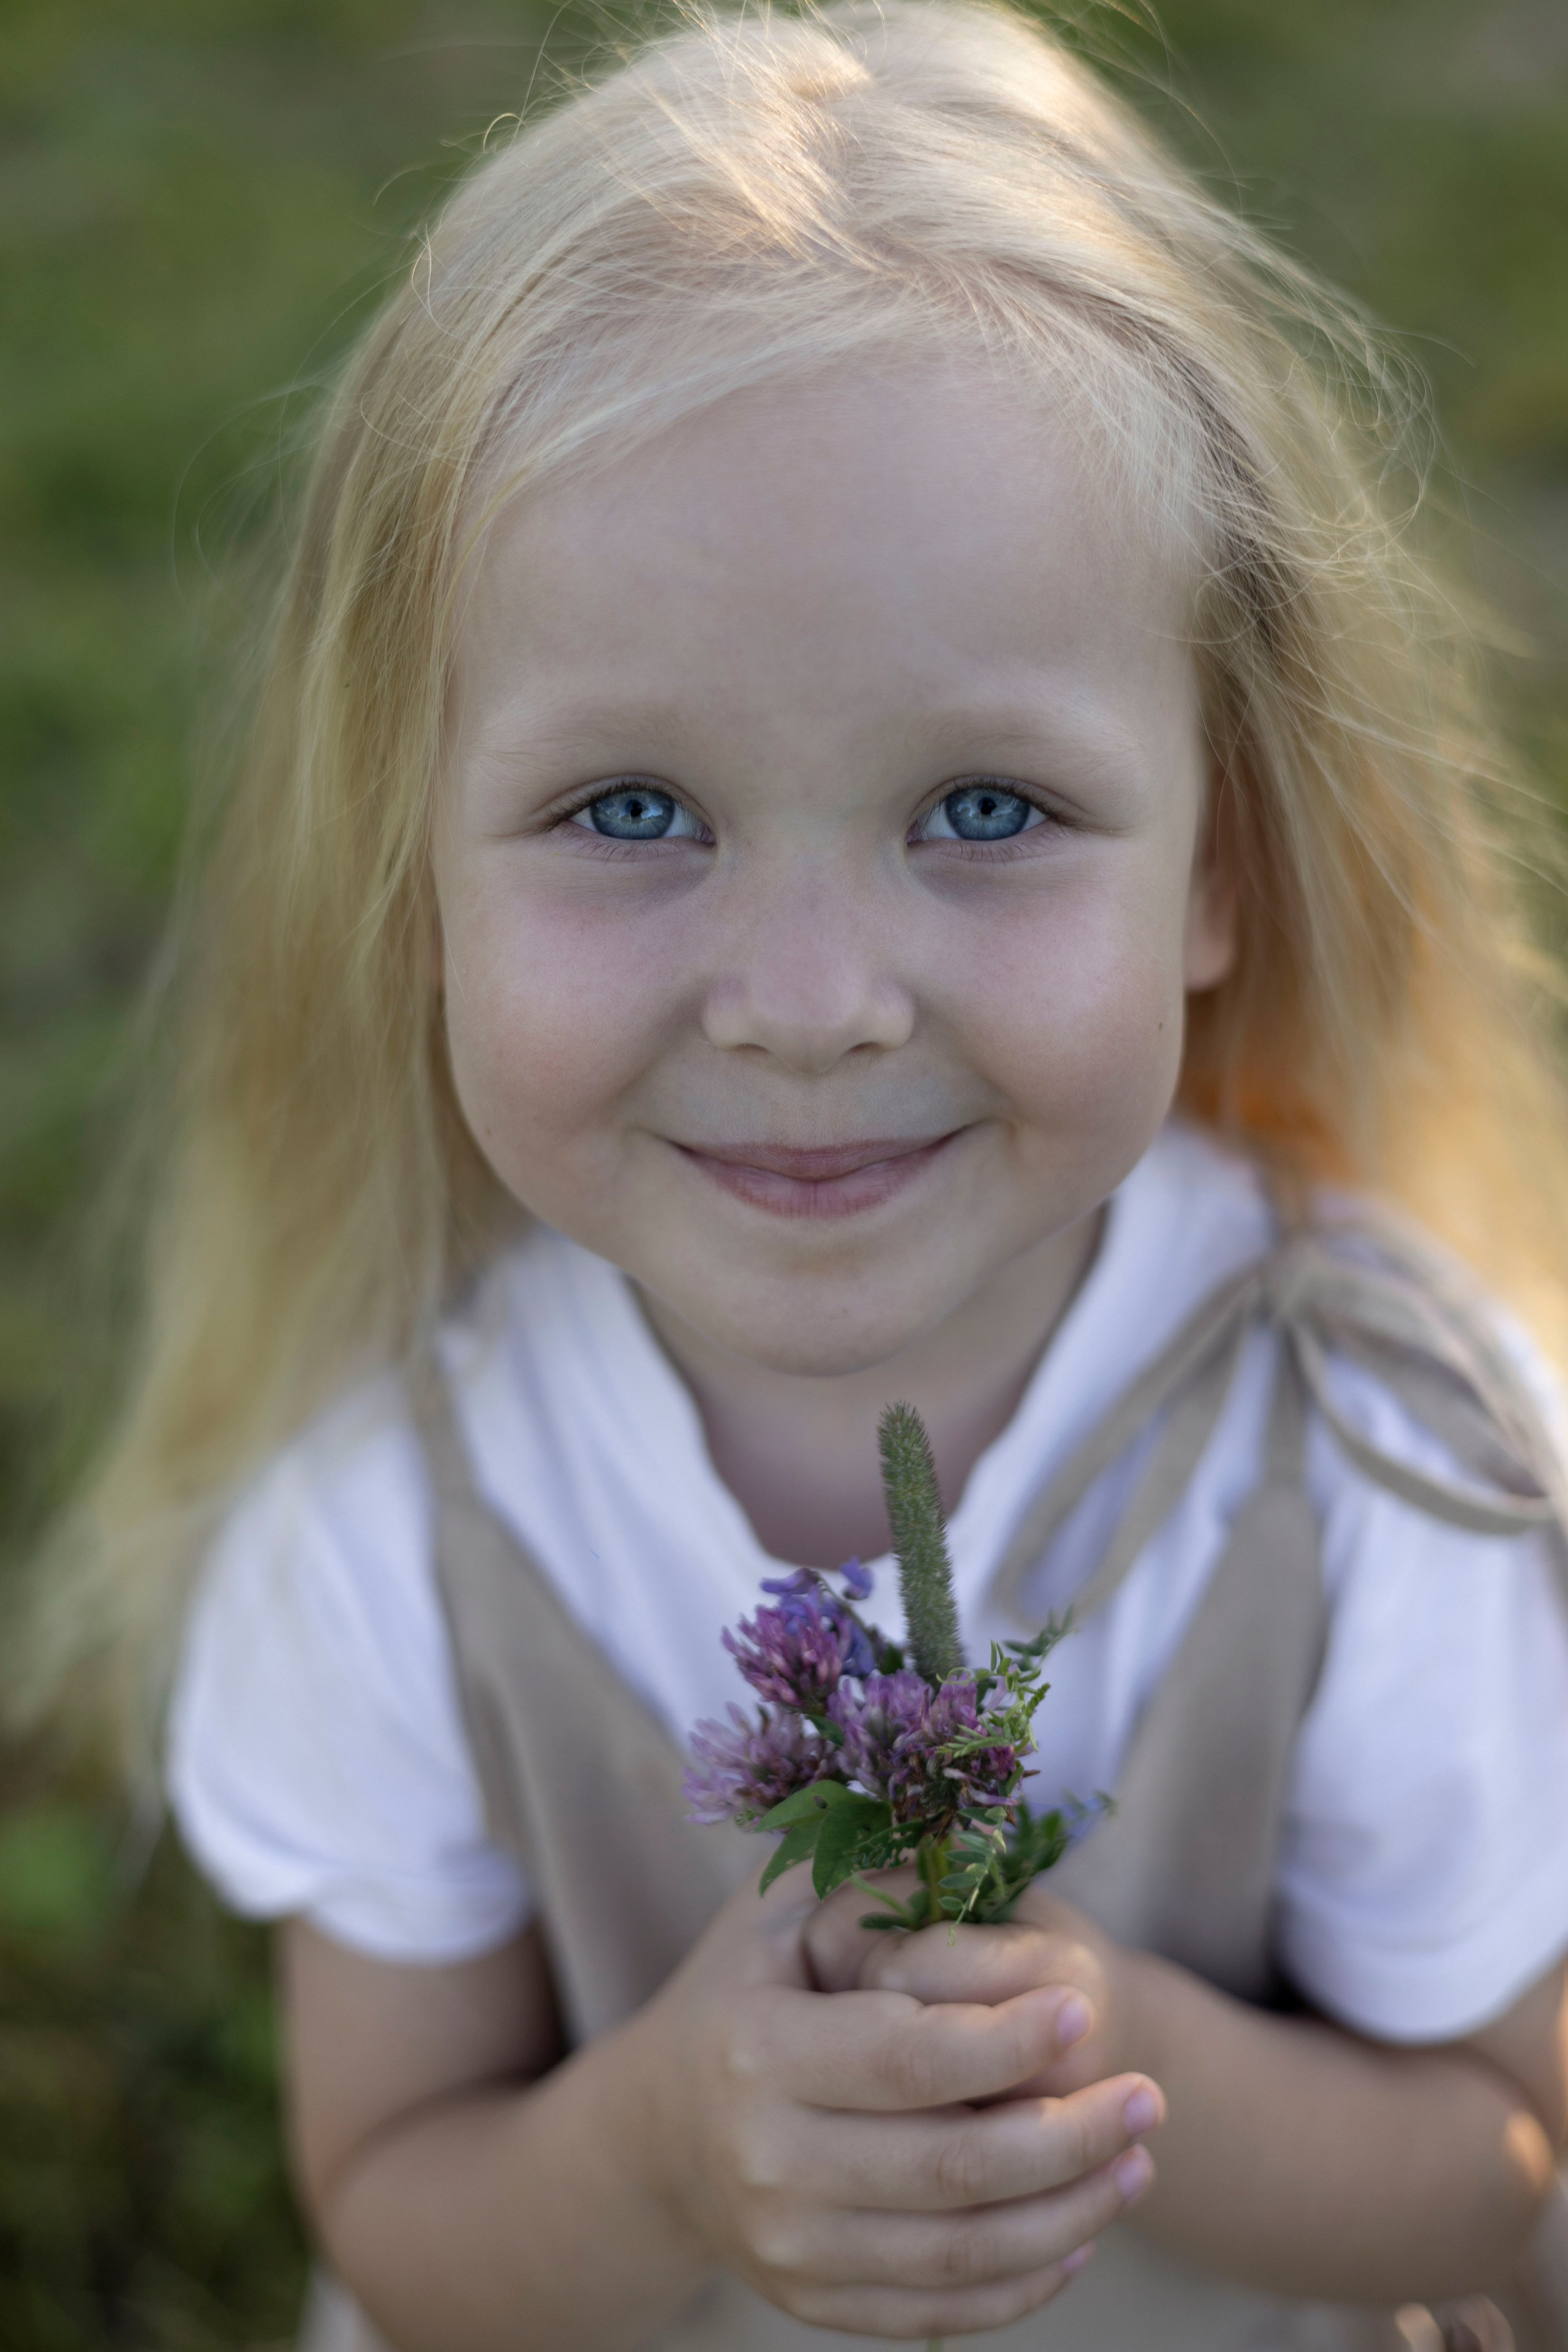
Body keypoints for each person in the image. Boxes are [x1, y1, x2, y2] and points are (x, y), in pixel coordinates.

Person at [34, 3, 1568, 2345]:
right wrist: (666, 2149)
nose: (814, 1001)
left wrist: (1096, 2043)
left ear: (1221, 863)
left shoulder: (1371, 1446)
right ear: (415, 870)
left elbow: (1498, 2178)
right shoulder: (409, 1516)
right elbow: (401, 2208)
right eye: (633, 811)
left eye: (987, 808)